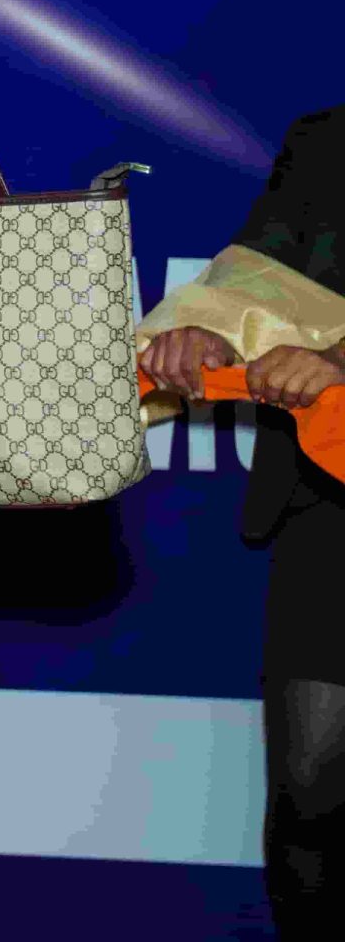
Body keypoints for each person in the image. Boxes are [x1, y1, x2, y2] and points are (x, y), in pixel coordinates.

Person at [141, 106, 345, 938]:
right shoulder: (325, 138)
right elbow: (261, 277)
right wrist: (206, 332)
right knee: (311, 799)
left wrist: (338, 359)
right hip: (332, 498)